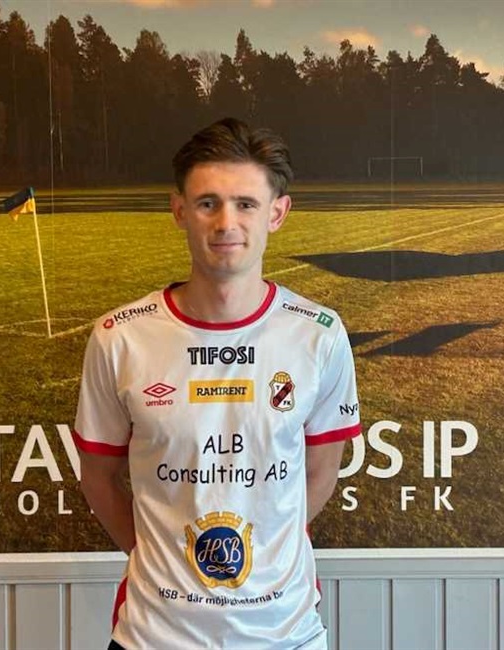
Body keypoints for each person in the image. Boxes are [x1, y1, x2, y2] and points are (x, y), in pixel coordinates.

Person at [74, 117, 361, 649]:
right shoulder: (120, 337)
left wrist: (270, 548)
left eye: (246, 204)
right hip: (154, 638)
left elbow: (321, 471)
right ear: (179, 210)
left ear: (277, 213)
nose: (226, 222)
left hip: (286, 636)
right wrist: (162, 560)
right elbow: (98, 478)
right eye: (208, 203)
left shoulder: (319, 334)